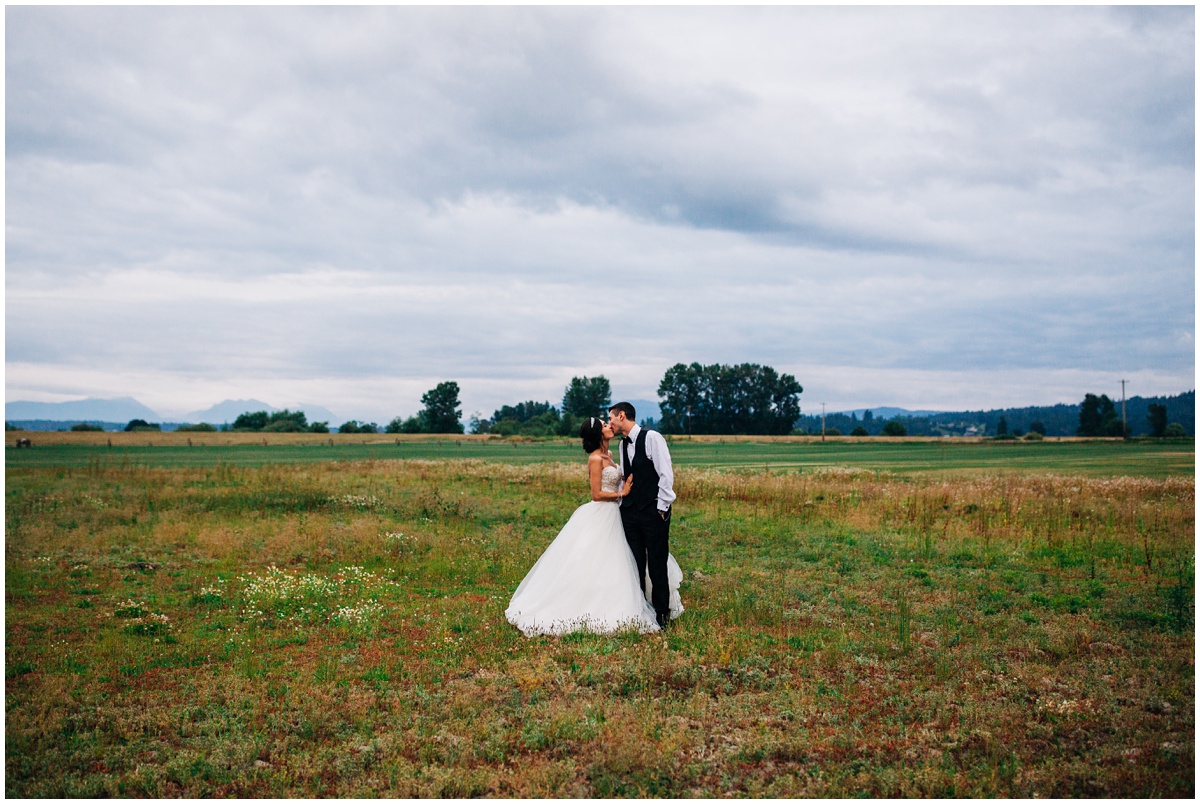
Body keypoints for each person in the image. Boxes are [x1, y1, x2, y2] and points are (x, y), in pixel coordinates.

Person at [505, 417, 682, 636]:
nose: (609, 425)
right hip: (602, 514)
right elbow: (596, 494)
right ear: (599, 433)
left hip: (621, 513)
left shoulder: (611, 452)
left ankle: (642, 600)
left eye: (609, 422)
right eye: (605, 424)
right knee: (599, 560)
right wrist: (622, 493)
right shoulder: (595, 459)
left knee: (627, 560)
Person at [608, 401, 678, 630]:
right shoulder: (621, 445)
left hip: (652, 511)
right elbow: (626, 477)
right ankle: (639, 611)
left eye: (611, 418)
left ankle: (662, 615)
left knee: (657, 563)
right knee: (634, 563)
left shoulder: (652, 438)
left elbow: (665, 474)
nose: (610, 423)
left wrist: (662, 508)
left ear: (621, 415)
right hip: (629, 512)